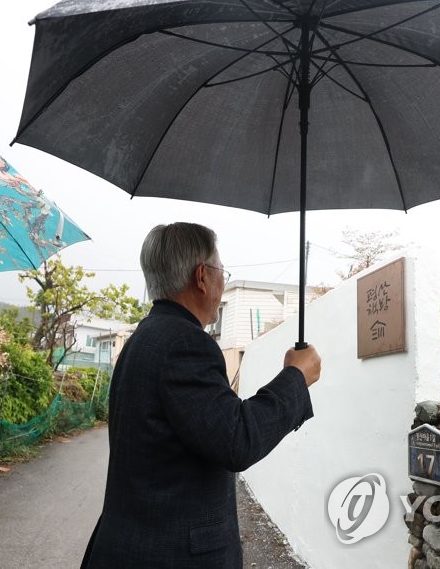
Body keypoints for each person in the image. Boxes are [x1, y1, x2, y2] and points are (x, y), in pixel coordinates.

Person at [80, 223, 321, 568]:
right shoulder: (185, 344)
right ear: (202, 277)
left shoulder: (142, 339)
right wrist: (296, 377)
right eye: (222, 271)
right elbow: (236, 439)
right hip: (169, 555)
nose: (223, 282)